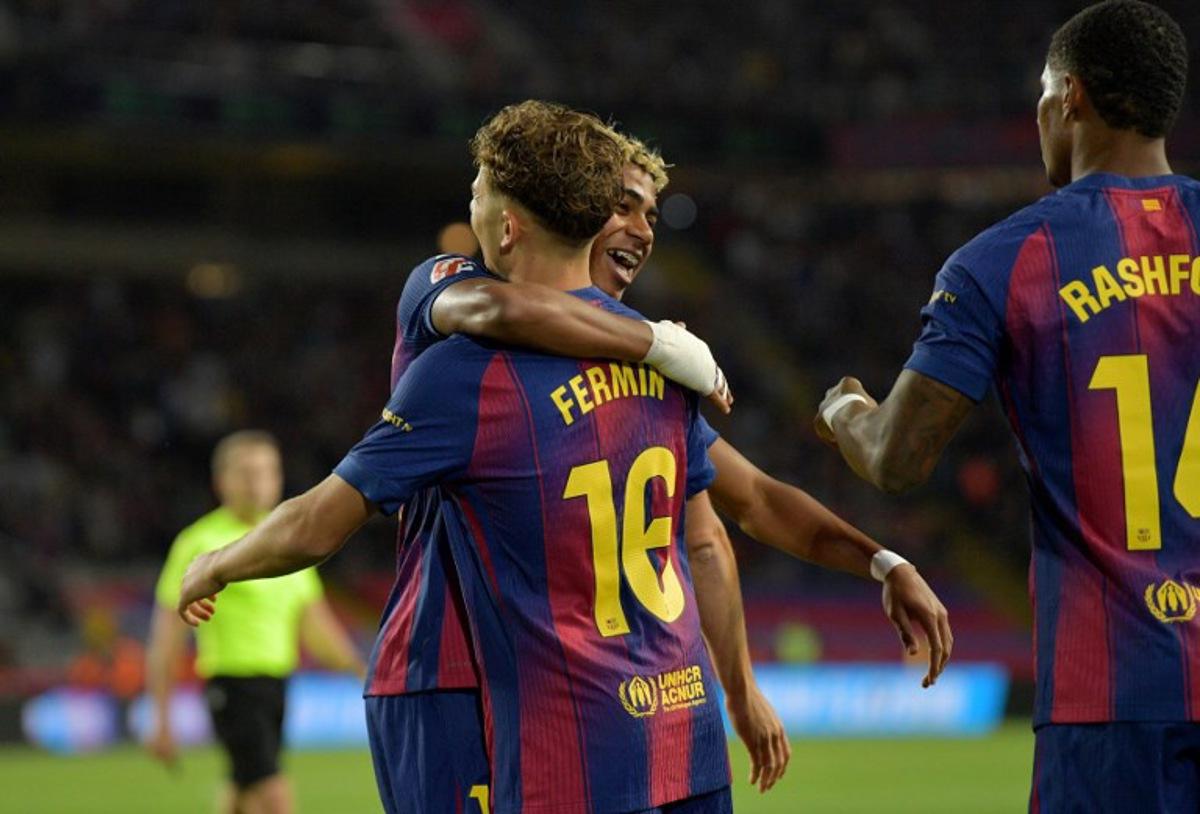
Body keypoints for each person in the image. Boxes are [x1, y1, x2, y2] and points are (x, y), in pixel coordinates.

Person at [370, 131, 953, 809]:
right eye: (620, 206)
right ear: (569, 208)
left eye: (650, 214)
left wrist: (880, 564)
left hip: (584, 696)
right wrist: (660, 343)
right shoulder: (453, 293)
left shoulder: (641, 373)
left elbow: (731, 514)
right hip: (445, 671)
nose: (641, 231)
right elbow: (500, 309)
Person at [814, 2, 1197, 811]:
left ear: (1070, 96)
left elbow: (896, 458)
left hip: (1110, 700)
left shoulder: (1007, 259)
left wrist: (843, 409)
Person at [146, 430, 364, 814]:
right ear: (221, 481)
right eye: (246, 473)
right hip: (232, 686)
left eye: (267, 471)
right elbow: (166, 638)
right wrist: (161, 719)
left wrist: (361, 670)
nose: (258, 483)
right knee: (274, 797)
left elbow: (316, 628)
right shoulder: (199, 544)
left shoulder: (286, 543)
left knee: (243, 794)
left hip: (277, 687)